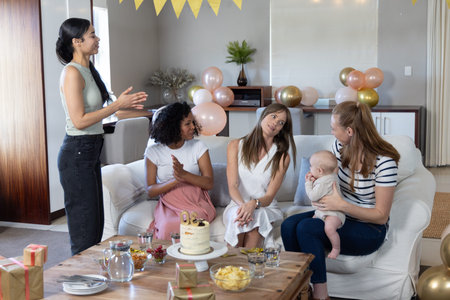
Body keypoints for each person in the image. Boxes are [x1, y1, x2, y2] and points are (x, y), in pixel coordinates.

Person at [281, 101, 400, 300]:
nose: (333, 133)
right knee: (289, 225)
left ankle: (321, 295)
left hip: (368, 227)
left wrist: (341, 205)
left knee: (306, 228)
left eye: (334, 128)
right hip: (338, 214)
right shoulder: (340, 146)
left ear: (350, 131)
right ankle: (300, 288)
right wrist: (314, 178)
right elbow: (328, 175)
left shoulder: (384, 161)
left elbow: (380, 216)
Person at [56, 18, 147, 255]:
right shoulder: (72, 73)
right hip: (77, 153)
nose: (97, 40)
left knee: (95, 228)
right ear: (77, 42)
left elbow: (102, 113)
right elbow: (80, 120)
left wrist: (130, 106)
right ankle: (80, 283)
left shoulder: (88, 70)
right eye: (92, 35)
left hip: (90, 151)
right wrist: (117, 105)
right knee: (84, 230)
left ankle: (92, 281)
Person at [223, 103, 296, 248]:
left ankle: (249, 269)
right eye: (273, 116)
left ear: (282, 129)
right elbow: (233, 185)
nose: (275, 123)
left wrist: (253, 205)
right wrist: (243, 207)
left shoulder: (282, 157)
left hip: (265, 208)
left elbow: (269, 196)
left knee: (257, 220)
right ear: (263, 116)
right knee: (238, 218)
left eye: (281, 123)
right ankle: (231, 268)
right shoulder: (235, 145)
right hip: (237, 204)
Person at [145, 102, 216, 240]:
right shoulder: (153, 152)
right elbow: (150, 190)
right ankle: (170, 260)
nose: (193, 127)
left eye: (193, 123)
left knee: (192, 222)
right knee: (166, 226)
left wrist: (184, 175)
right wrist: (175, 180)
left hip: (194, 200)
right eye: (187, 124)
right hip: (169, 202)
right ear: (174, 126)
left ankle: (190, 260)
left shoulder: (198, 147)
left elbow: (209, 183)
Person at [305, 150, 345, 259]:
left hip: (334, 213)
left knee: (329, 229)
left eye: (310, 166)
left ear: (319, 170)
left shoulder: (323, 182)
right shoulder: (330, 176)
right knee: (311, 222)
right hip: (323, 211)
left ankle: (336, 248)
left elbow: (313, 196)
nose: (309, 168)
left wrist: (308, 183)